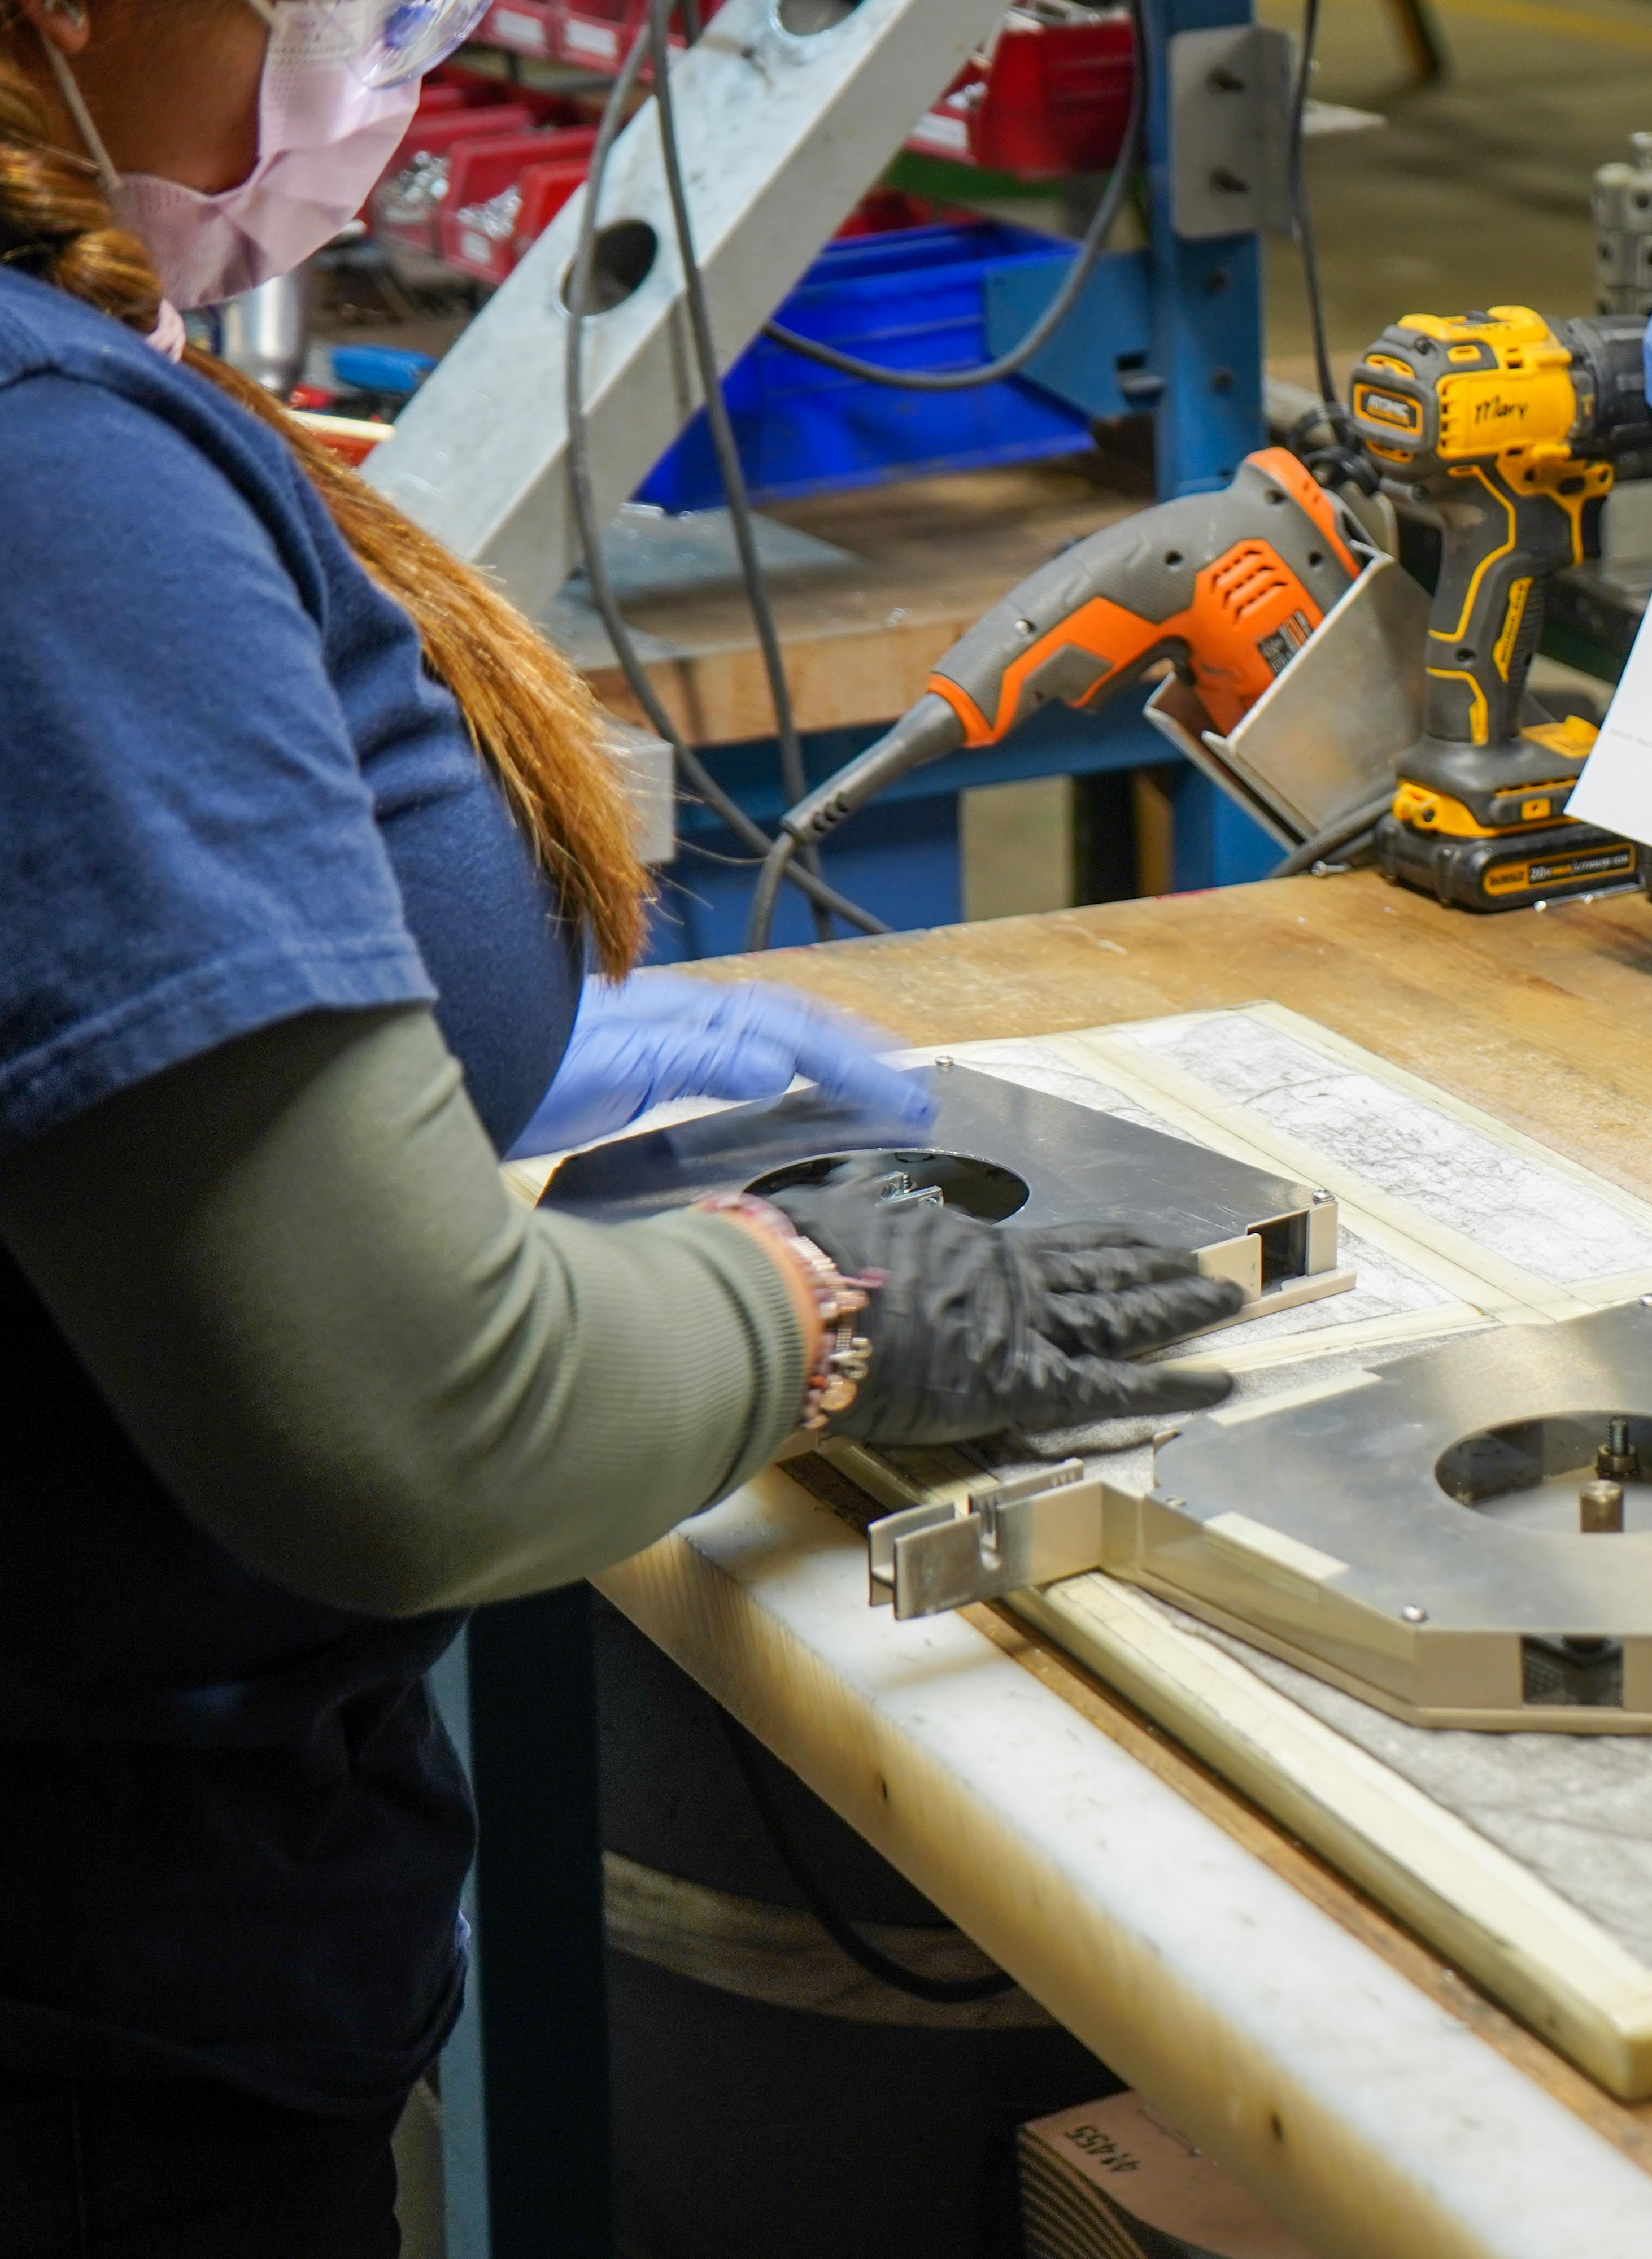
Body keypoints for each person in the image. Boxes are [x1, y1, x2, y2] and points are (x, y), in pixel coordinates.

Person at [0, 0, 1239, 2247]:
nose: (369, 37)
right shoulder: (48, 472)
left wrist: (416, 1058)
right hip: (88, 2031)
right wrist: (825, 1302)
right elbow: (429, 1429)